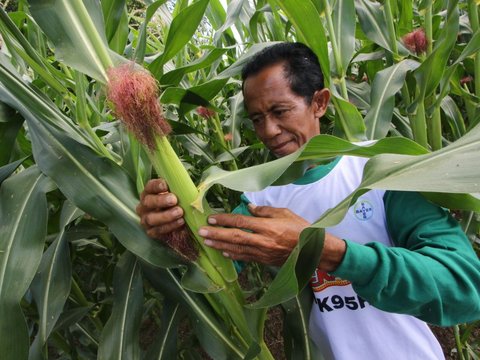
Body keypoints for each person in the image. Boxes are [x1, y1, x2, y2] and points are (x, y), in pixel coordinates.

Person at [136, 42, 480, 359]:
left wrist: (327, 251)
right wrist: (172, 228)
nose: (268, 130)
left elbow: (466, 288)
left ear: (319, 103)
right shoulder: (260, 195)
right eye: (257, 119)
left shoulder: (378, 173)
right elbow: (209, 266)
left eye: (280, 111)